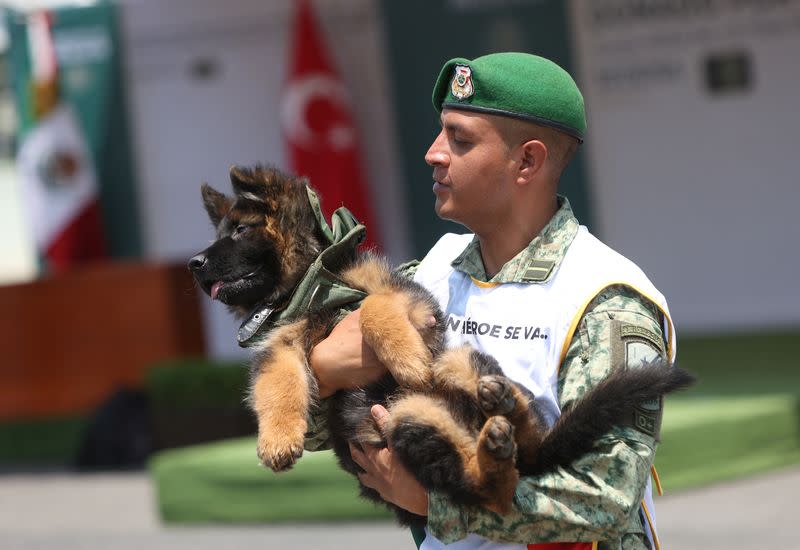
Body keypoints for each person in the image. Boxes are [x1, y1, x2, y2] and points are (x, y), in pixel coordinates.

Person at [305, 52, 675, 550]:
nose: (433, 153)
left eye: (460, 139)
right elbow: (314, 434)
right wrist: (322, 373)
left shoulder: (604, 297)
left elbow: (605, 499)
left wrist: (436, 502)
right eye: (441, 133)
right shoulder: (431, 274)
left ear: (527, 161)